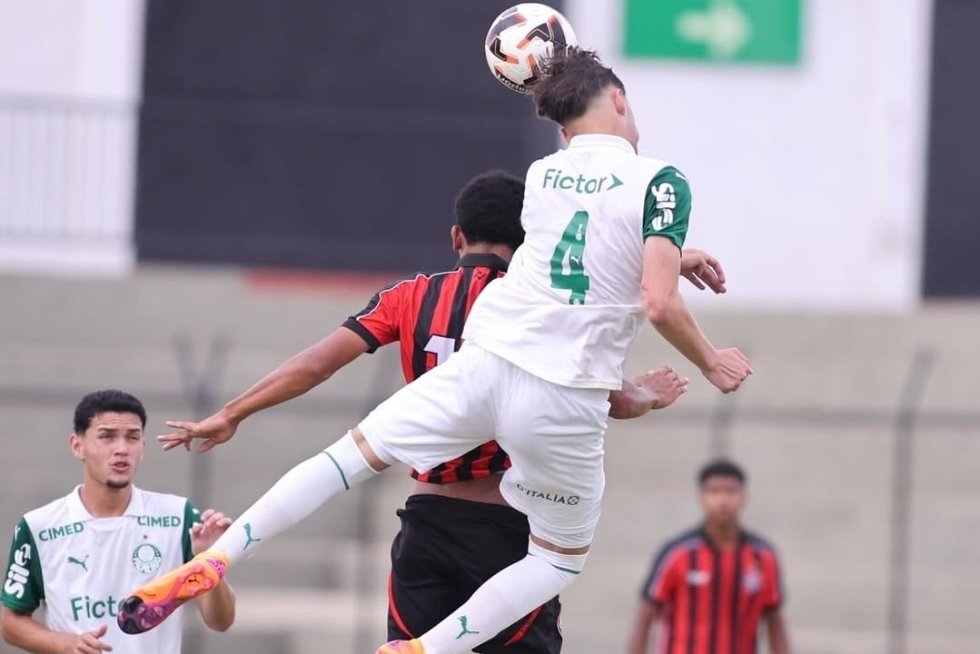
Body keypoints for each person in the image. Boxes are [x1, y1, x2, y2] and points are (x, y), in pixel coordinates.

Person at [118, 47, 752, 654]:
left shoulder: (543, 175)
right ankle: (425, 650)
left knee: (345, 458)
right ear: (619, 97)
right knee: (556, 561)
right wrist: (710, 358)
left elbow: (573, 247)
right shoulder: (660, 180)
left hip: (484, 367)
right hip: (560, 398)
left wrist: (233, 411)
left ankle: (219, 557)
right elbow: (659, 302)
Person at [0, 390, 236, 654]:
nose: (121, 449)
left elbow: (220, 621)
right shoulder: (38, 527)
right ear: (77, 445)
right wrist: (65, 643)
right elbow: (11, 622)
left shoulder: (178, 516)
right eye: (107, 436)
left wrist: (209, 561)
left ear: (143, 448)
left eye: (132, 438)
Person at [627, 460, 791, 654]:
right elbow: (646, 616)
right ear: (701, 497)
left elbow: (774, 619)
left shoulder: (763, 556)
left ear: (744, 497)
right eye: (714, 491)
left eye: (731, 491)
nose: (723, 500)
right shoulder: (677, 554)